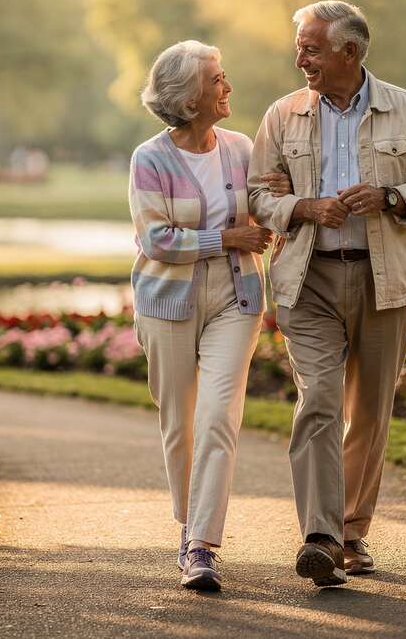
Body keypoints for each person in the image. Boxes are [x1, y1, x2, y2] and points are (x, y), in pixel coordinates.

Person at [248, 0, 406, 587]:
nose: (300, 58)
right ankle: (320, 536)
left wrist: (391, 199)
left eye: (312, 48)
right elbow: (259, 194)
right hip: (306, 277)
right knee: (318, 398)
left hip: (383, 278)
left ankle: (351, 531)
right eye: (300, 46)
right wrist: (301, 207)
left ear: (350, 52)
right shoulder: (283, 115)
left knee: (369, 409)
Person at [128, 40, 289, 591]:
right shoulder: (149, 159)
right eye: (217, 79)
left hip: (236, 298)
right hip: (167, 301)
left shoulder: (243, 149)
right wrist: (225, 237)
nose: (228, 87)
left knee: (219, 416)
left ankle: (200, 546)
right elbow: (155, 239)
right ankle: (186, 524)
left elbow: (270, 205)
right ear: (189, 97)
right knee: (180, 425)